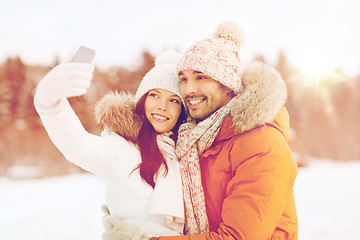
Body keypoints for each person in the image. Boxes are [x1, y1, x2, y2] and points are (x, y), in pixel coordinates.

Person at [150, 21, 299, 239]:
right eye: (183, 79)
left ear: (228, 83)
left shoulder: (262, 143)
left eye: (201, 77)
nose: (189, 90)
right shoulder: (191, 140)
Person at [34, 50, 187, 239]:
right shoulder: (122, 146)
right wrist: (49, 104)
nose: (162, 106)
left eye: (173, 100)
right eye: (154, 95)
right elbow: (78, 145)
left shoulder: (186, 153)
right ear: (142, 99)